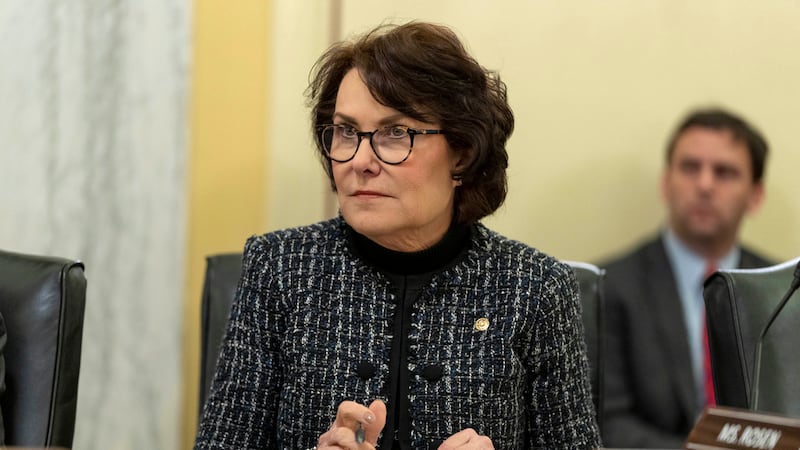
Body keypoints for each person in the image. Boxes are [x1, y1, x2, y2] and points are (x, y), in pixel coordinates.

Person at [195, 21, 600, 449]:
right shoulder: (278, 269)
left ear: (462, 152)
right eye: (347, 131)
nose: (361, 160)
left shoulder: (534, 289)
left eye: (395, 133)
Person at [600, 107, 773, 448]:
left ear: (755, 195)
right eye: (690, 167)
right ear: (666, 183)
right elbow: (605, 423)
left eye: (724, 172)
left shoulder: (783, 290)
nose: (705, 185)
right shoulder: (609, 288)